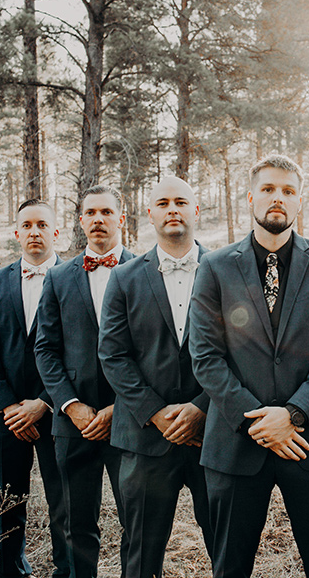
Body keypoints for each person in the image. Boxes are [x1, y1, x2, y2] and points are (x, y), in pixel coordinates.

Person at [189, 154, 309, 578]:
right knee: (230, 567)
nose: (277, 198)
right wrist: (257, 422)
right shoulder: (215, 266)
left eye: (287, 190)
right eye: (268, 189)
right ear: (250, 198)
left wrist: (293, 414)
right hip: (236, 444)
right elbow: (206, 357)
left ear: (300, 202)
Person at [98, 177, 214, 577]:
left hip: (214, 434)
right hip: (146, 437)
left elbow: (243, 351)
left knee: (227, 546)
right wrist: (156, 412)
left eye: (181, 201)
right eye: (162, 202)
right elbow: (112, 355)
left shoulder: (228, 270)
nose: (172, 209)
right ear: (150, 213)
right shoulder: (124, 277)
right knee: (141, 552)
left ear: (196, 210)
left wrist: (202, 407)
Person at [34, 186, 135, 578]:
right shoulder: (59, 277)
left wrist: (121, 407)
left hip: (130, 419)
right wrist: (71, 406)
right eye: (90, 212)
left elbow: (152, 352)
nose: (98, 219)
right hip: (72, 423)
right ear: (80, 221)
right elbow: (45, 348)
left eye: (106, 212)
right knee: (75, 524)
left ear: (121, 218)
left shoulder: (144, 269)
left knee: (138, 521)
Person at [0, 199, 71, 578]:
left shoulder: (73, 277)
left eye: (42, 225)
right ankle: (9, 569)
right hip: (5, 416)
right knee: (7, 503)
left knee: (64, 503)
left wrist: (43, 404)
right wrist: (9, 407)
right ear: (16, 234)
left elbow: (81, 351)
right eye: (26, 225)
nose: (34, 231)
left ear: (55, 232)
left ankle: (67, 571)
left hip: (60, 413)